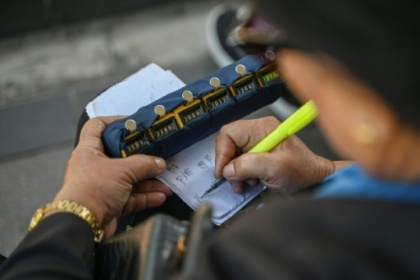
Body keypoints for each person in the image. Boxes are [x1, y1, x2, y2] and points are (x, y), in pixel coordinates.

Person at [1, 0, 420, 279]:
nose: (286, 68)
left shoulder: (281, 254)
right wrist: (326, 173)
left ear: (371, 106)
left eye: (271, 35)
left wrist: (74, 212)